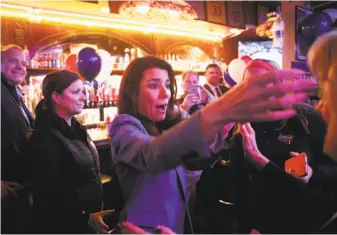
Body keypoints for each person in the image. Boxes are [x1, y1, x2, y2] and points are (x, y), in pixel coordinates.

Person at [108, 55, 316, 233]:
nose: (165, 93)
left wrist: (224, 127)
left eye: (166, 85)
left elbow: (197, 164)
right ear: (131, 91)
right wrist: (219, 114)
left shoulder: (301, 118)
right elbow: (154, 155)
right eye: (153, 85)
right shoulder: (125, 126)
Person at [239, 31, 337, 233]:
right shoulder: (244, 123)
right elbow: (238, 183)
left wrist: (313, 174)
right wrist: (246, 226)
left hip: (302, 222)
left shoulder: (306, 118)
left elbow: (332, 170)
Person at [26, 70, 113, 234]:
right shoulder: (44, 137)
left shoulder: (76, 129)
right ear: (56, 97)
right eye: (76, 92)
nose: (83, 97)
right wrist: (83, 217)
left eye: (83, 91)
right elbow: (47, 196)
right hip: (63, 226)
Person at [1, 44, 35, 233]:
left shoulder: (15, 92)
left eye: (24, 63)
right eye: (13, 61)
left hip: (18, 187)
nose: (21, 67)